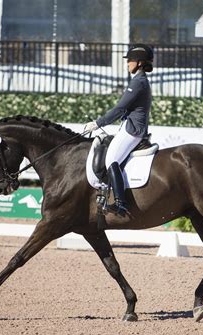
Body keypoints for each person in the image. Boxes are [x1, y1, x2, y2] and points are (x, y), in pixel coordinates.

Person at [83, 44, 153, 217]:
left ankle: (121, 204)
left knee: (111, 159)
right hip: (130, 127)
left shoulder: (138, 82)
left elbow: (120, 108)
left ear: (138, 62)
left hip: (133, 129)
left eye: (130, 60)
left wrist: (98, 123)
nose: (127, 63)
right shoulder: (139, 80)